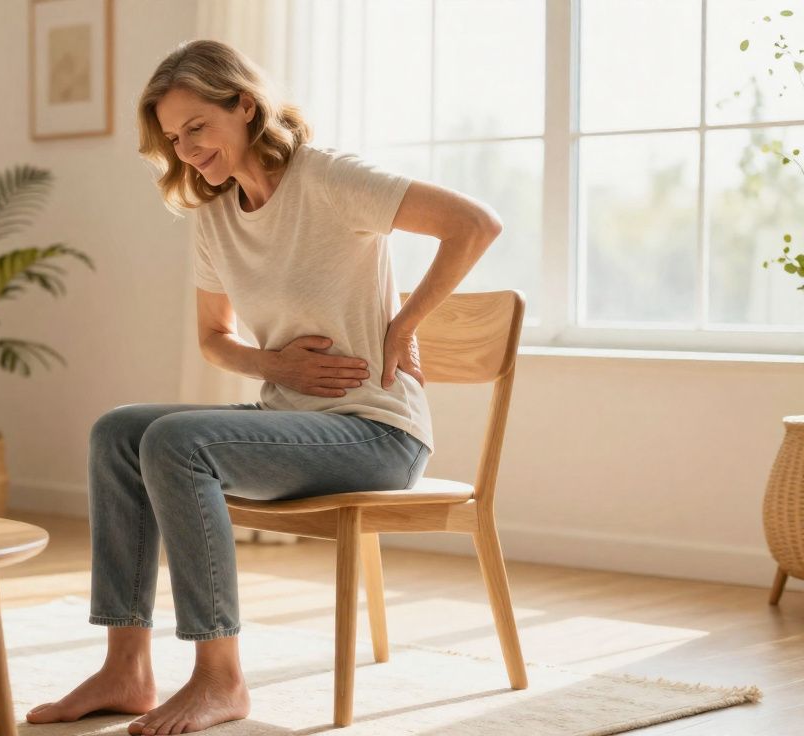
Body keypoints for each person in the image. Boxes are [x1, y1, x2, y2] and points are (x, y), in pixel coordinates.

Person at [26, 39, 503, 735]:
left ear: (244, 106)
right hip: (292, 425)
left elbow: (474, 224)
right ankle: (126, 668)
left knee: (178, 443)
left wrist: (404, 324)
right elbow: (214, 338)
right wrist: (274, 366)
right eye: (172, 138)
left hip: (377, 432)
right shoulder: (214, 215)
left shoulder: (329, 179)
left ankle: (221, 679)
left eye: (196, 127)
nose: (186, 150)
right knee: (118, 431)